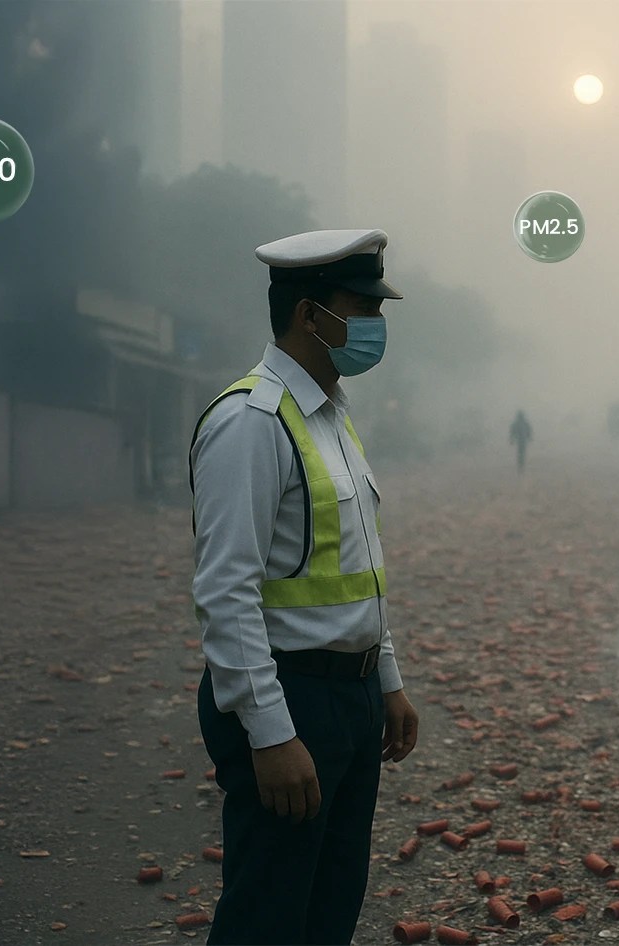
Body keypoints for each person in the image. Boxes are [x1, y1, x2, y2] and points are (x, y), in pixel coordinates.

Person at [190, 228, 421, 945]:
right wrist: (271, 733)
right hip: (290, 698)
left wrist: (386, 679)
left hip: (347, 700)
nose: (375, 326)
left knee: (328, 910)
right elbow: (226, 593)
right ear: (308, 315)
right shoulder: (251, 423)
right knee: (268, 914)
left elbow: (355, 564)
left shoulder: (332, 415)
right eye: (361, 308)